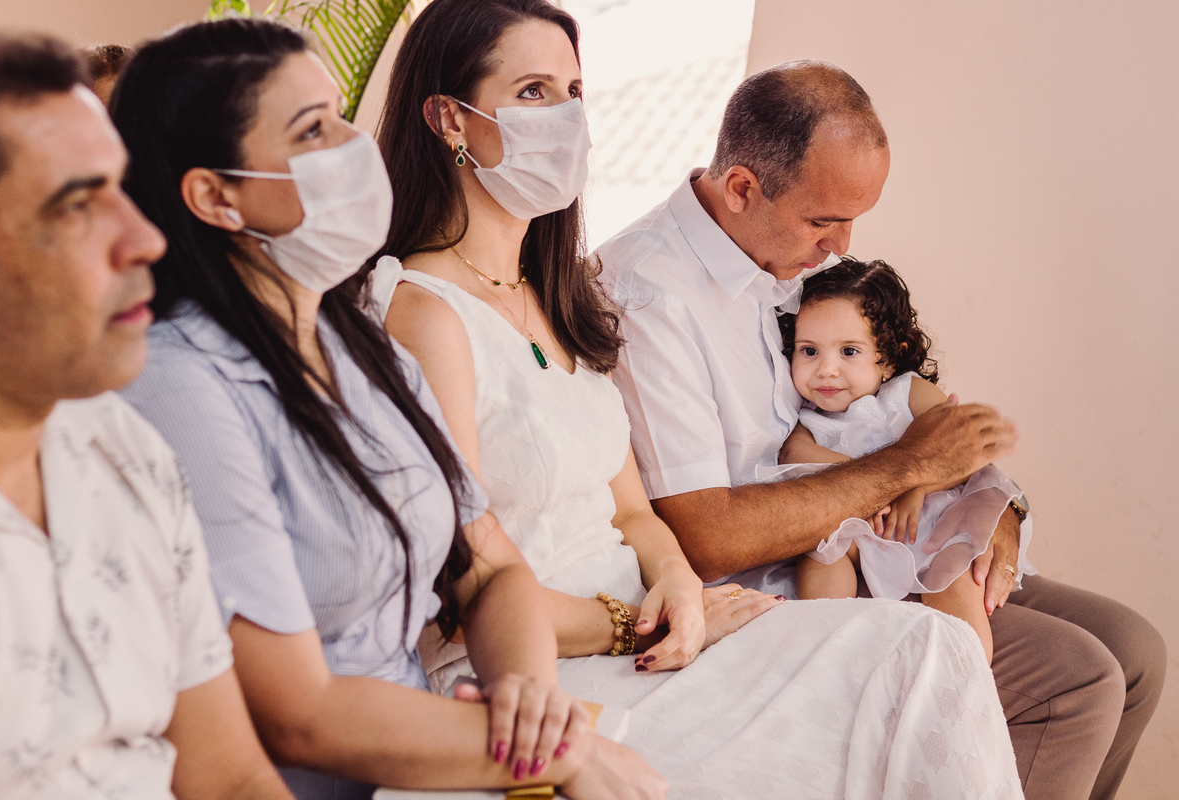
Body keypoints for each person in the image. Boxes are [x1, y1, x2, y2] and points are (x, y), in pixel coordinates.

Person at [375, 2, 1024, 797]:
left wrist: (678, 590)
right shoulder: (426, 315)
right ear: (450, 119)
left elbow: (637, 517)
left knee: (935, 653)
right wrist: (649, 617)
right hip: (553, 659)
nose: (570, 119)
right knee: (925, 655)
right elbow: (464, 587)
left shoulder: (556, 301)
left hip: (662, 620)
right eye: (537, 92)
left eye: (576, 91)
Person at [112, 17, 662, 800]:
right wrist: (550, 754)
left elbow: (491, 566)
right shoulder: (180, 386)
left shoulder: (357, 346)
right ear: (214, 195)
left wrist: (534, 703)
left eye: (340, 115)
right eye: (312, 130)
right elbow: (298, 716)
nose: (351, 146)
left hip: (443, 747)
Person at [596, 60, 1167, 799]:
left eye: (853, 219)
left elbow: (896, 401)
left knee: (1136, 652)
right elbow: (707, 537)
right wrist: (907, 468)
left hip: (888, 535)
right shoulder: (648, 295)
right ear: (742, 188)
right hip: (784, 583)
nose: (841, 245)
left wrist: (992, 504)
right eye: (824, 220)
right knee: (1077, 683)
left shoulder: (785, 255)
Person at [0, 30, 295, 800]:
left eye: (122, 187)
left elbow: (231, 777)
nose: (148, 238)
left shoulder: (124, 448)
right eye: (78, 204)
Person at [778, 257, 1035, 663]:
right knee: (823, 548)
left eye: (849, 351)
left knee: (953, 574)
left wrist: (914, 487)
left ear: (889, 358)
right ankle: (826, 639)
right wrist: (869, 484)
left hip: (934, 528)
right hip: (867, 530)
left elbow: (958, 451)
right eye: (808, 351)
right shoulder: (808, 419)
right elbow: (794, 453)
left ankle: (966, 670)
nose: (826, 370)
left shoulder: (906, 393)